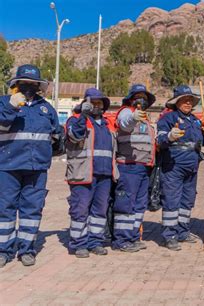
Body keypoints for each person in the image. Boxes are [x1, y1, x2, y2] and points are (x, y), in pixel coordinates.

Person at [0, 64, 62, 267]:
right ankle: (4, 250)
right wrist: (11, 106)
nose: (28, 87)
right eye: (24, 83)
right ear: (16, 84)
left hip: (37, 168)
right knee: (4, 209)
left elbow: (56, 135)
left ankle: (27, 249)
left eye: (32, 84)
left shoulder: (47, 108)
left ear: (38, 86)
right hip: (8, 166)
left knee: (32, 210)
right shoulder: (3, 103)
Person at [65, 88, 119, 258]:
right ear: (85, 103)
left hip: (104, 175)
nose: (96, 105)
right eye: (92, 102)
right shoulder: (75, 120)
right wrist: (83, 116)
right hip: (82, 173)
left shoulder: (108, 124)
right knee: (80, 210)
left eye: (99, 102)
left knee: (99, 211)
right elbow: (75, 136)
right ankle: (79, 243)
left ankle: (95, 241)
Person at [157, 85, 204, 251]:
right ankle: (169, 235)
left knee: (187, 200)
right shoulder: (168, 118)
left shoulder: (195, 120)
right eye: (184, 100)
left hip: (192, 166)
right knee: (172, 200)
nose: (188, 103)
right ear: (176, 102)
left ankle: (183, 232)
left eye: (190, 100)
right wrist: (170, 136)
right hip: (173, 166)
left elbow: (201, 142)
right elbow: (160, 139)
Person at [112, 84, 157, 252]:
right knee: (126, 204)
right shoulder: (126, 112)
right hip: (128, 166)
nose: (141, 100)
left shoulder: (146, 118)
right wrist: (133, 117)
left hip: (144, 167)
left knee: (139, 205)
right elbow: (125, 124)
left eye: (144, 98)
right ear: (131, 98)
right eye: (138, 96)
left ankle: (133, 237)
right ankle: (121, 240)